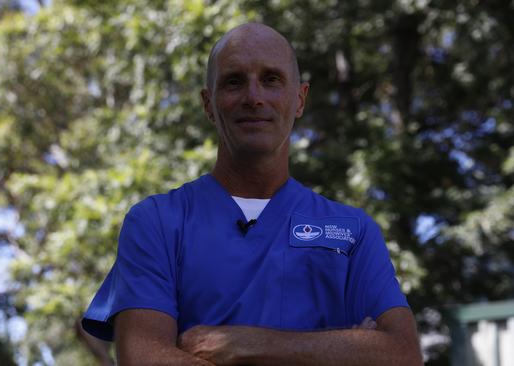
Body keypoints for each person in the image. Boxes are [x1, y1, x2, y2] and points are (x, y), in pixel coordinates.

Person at [81, 22, 422, 365]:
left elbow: (403, 355)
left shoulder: (352, 231)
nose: (254, 97)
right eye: (234, 82)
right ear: (208, 104)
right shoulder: (156, 222)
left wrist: (246, 344)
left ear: (300, 99)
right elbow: (144, 359)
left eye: (272, 79)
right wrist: (345, 349)